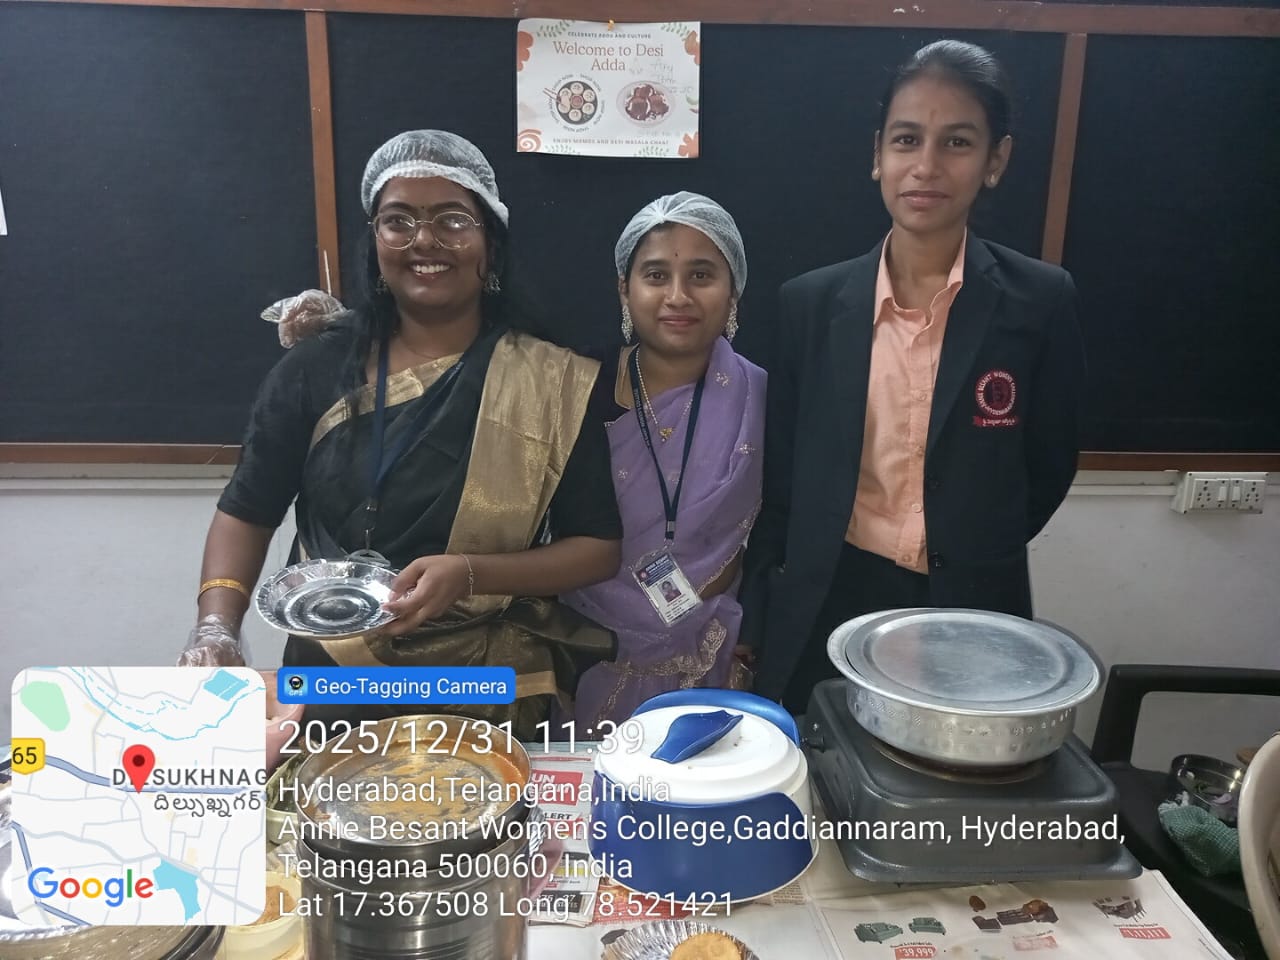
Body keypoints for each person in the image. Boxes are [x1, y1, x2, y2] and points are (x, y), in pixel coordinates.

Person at [179, 130, 622, 739]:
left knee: (479, 805)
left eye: (452, 220)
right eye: (399, 221)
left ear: (490, 244)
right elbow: (247, 512)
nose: (425, 240)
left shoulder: (552, 381)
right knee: (321, 803)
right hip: (331, 680)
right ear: (375, 241)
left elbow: (597, 547)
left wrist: (471, 573)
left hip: (484, 687)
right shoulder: (313, 370)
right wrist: (216, 626)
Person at [742, 41, 1086, 714]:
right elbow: (782, 478)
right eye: (907, 139)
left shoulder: (1040, 301)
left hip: (971, 603)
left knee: (951, 773)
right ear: (878, 154)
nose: (926, 165)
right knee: (821, 761)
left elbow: (1048, 464)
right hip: (828, 595)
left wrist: (971, 540)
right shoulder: (809, 304)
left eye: (957, 142)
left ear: (995, 160)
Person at [561, 192, 766, 732]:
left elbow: (782, 533)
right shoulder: (574, 386)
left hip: (713, 651)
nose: (678, 296)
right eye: (656, 275)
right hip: (583, 644)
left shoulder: (761, 397)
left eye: (701, 275)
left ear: (733, 291)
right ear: (624, 290)